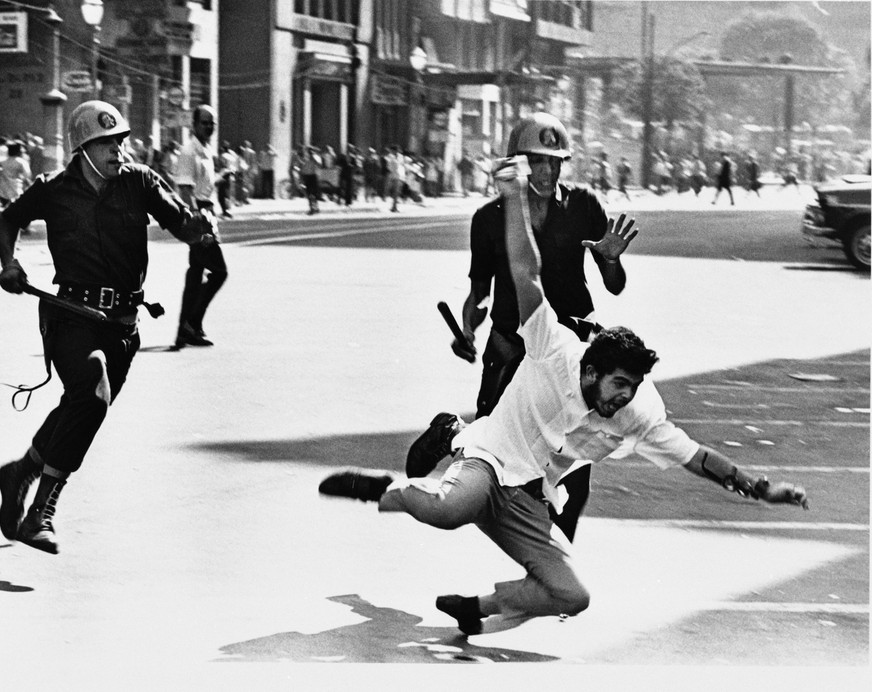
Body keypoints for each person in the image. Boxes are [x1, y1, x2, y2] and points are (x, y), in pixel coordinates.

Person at [319, 155, 810, 636]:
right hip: (491, 460)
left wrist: (760, 487)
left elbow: (696, 457)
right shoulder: (554, 348)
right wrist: (513, 196)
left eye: (633, 389)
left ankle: (477, 608)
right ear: (591, 371)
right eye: (619, 385)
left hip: (531, 492)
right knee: (452, 509)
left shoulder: (637, 410)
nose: (624, 399)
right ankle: (382, 487)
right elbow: (524, 272)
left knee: (573, 595)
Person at [0, 100, 215, 554]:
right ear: (82, 148)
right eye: (107, 144)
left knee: (81, 406)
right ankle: (41, 512)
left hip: (123, 326)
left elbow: (180, 222)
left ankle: (21, 471)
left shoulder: (140, 181)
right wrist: (10, 264)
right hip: (70, 315)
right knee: (93, 392)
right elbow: (8, 220)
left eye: (121, 142)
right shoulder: (53, 188)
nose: (119, 151)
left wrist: (199, 227)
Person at [402, 113, 630, 542]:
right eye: (537, 162)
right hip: (513, 344)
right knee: (490, 452)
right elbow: (479, 292)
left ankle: (556, 563)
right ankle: (450, 431)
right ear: (517, 163)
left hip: (571, 350)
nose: (547, 172)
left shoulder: (584, 206)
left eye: (555, 162)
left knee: (573, 464)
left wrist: (611, 259)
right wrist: (467, 328)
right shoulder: (490, 219)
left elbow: (614, 286)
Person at [173, 104, 230, 349]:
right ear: (194, 125)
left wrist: (222, 176)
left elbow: (202, 185)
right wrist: (198, 224)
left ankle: (185, 331)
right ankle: (191, 323)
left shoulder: (206, 149)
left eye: (212, 123)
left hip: (208, 212)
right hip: (200, 218)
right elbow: (185, 191)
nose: (209, 127)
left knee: (195, 275)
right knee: (219, 272)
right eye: (204, 122)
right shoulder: (188, 151)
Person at [299, 145, 322, 214]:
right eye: (307, 150)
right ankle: (312, 208)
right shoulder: (305, 157)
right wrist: (301, 175)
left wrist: (313, 158)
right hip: (306, 176)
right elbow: (302, 166)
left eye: (310, 150)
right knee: (309, 193)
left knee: (313, 193)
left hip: (313, 176)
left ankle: (315, 207)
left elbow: (319, 164)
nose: (308, 152)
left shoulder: (316, 157)